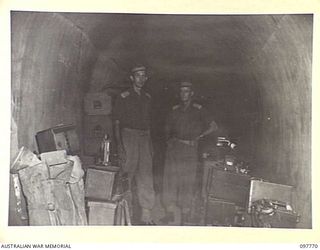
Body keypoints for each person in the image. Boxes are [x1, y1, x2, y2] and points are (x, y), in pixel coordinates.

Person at [161, 81, 218, 225]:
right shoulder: (174, 109)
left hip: (190, 149)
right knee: (170, 180)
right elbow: (167, 127)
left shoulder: (199, 110)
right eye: (181, 91)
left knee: (187, 180)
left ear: (191, 93)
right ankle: (169, 213)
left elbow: (213, 126)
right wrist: (168, 140)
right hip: (174, 149)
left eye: (186, 91)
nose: (183, 94)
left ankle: (185, 215)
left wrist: (199, 137)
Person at [113, 65, 155, 225]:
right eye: (138, 75)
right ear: (132, 78)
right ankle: (125, 212)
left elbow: (148, 123)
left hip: (144, 138)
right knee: (126, 173)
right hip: (128, 136)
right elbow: (116, 122)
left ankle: (146, 214)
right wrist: (119, 145)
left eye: (144, 76)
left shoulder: (147, 98)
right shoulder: (123, 97)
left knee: (146, 174)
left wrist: (150, 144)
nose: (141, 79)